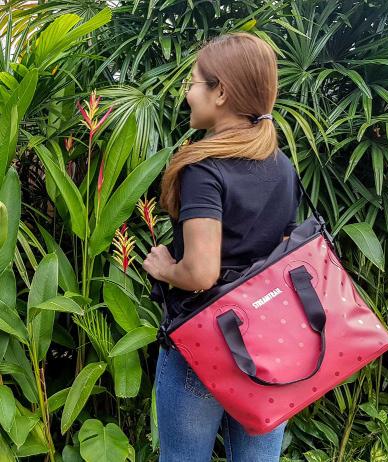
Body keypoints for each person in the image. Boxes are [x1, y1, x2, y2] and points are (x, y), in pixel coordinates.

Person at [142, 32, 302, 462]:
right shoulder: (282, 166)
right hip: (266, 345)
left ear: (221, 92)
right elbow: (286, 249)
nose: (187, 94)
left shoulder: (205, 168)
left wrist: (163, 266)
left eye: (193, 83)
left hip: (204, 345)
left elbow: (201, 273)